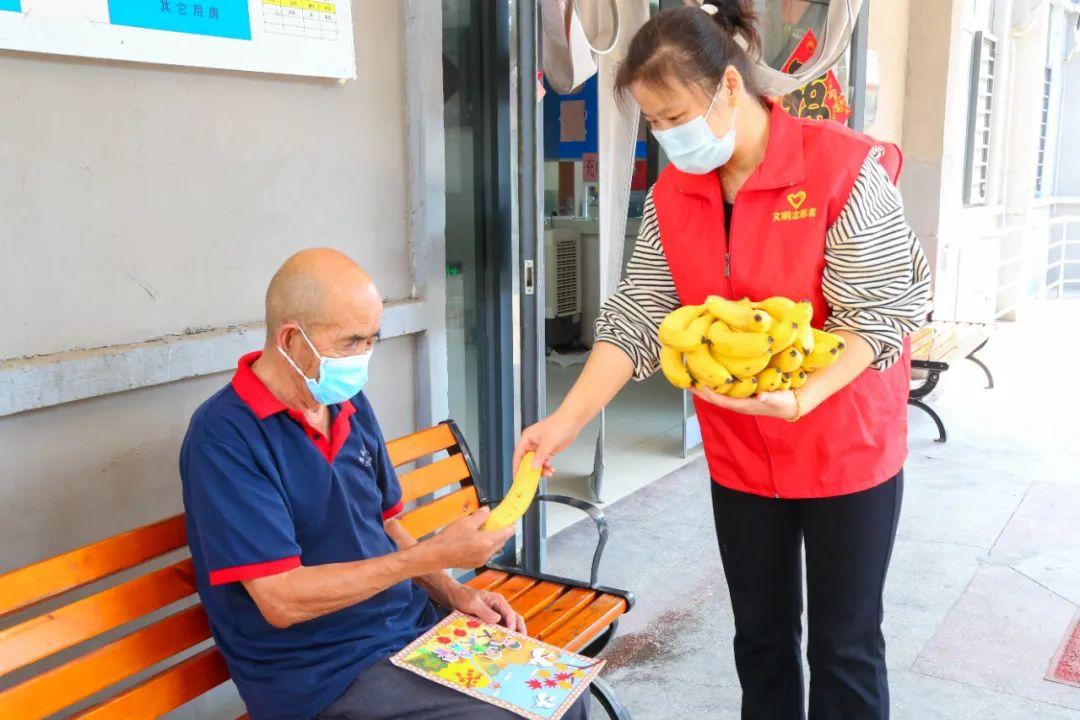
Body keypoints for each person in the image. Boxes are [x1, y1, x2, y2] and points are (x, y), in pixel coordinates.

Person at [514, 2, 931, 719]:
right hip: (742, 454)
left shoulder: (842, 169)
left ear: (731, 89)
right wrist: (565, 421)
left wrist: (803, 398)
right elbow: (638, 315)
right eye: (653, 122)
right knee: (761, 640)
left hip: (845, 451)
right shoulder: (674, 194)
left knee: (845, 645)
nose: (668, 136)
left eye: (676, 114)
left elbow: (882, 315)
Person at [180, 249, 587, 720]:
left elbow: (388, 524)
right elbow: (281, 600)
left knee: (563, 702)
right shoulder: (225, 437)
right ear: (291, 339)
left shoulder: (347, 405)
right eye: (350, 342)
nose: (363, 358)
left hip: (409, 631)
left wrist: (457, 593)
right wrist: (432, 556)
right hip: (321, 675)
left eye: (372, 339)